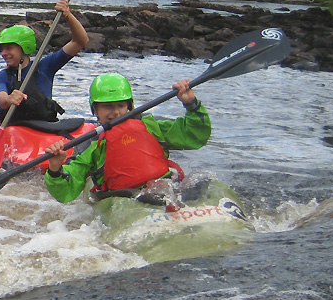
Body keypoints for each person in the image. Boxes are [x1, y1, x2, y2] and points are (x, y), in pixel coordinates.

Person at [43, 73, 211, 203]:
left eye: (121, 106)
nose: (116, 112)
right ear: (95, 110)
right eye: (108, 106)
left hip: (161, 189)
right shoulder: (90, 144)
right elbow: (66, 192)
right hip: (120, 200)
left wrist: (191, 104)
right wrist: (55, 168)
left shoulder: (151, 126)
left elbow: (194, 135)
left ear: (130, 106)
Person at [0, 0, 89, 124]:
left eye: (9, 48)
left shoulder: (46, 67)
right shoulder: (1, 76)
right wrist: (9, 99)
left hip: (45, 130)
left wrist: (68, 15)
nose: (3, 53)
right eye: (2, 49)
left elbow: (80, 42)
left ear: (24, 48)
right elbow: (2, 99)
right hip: (14, 129)